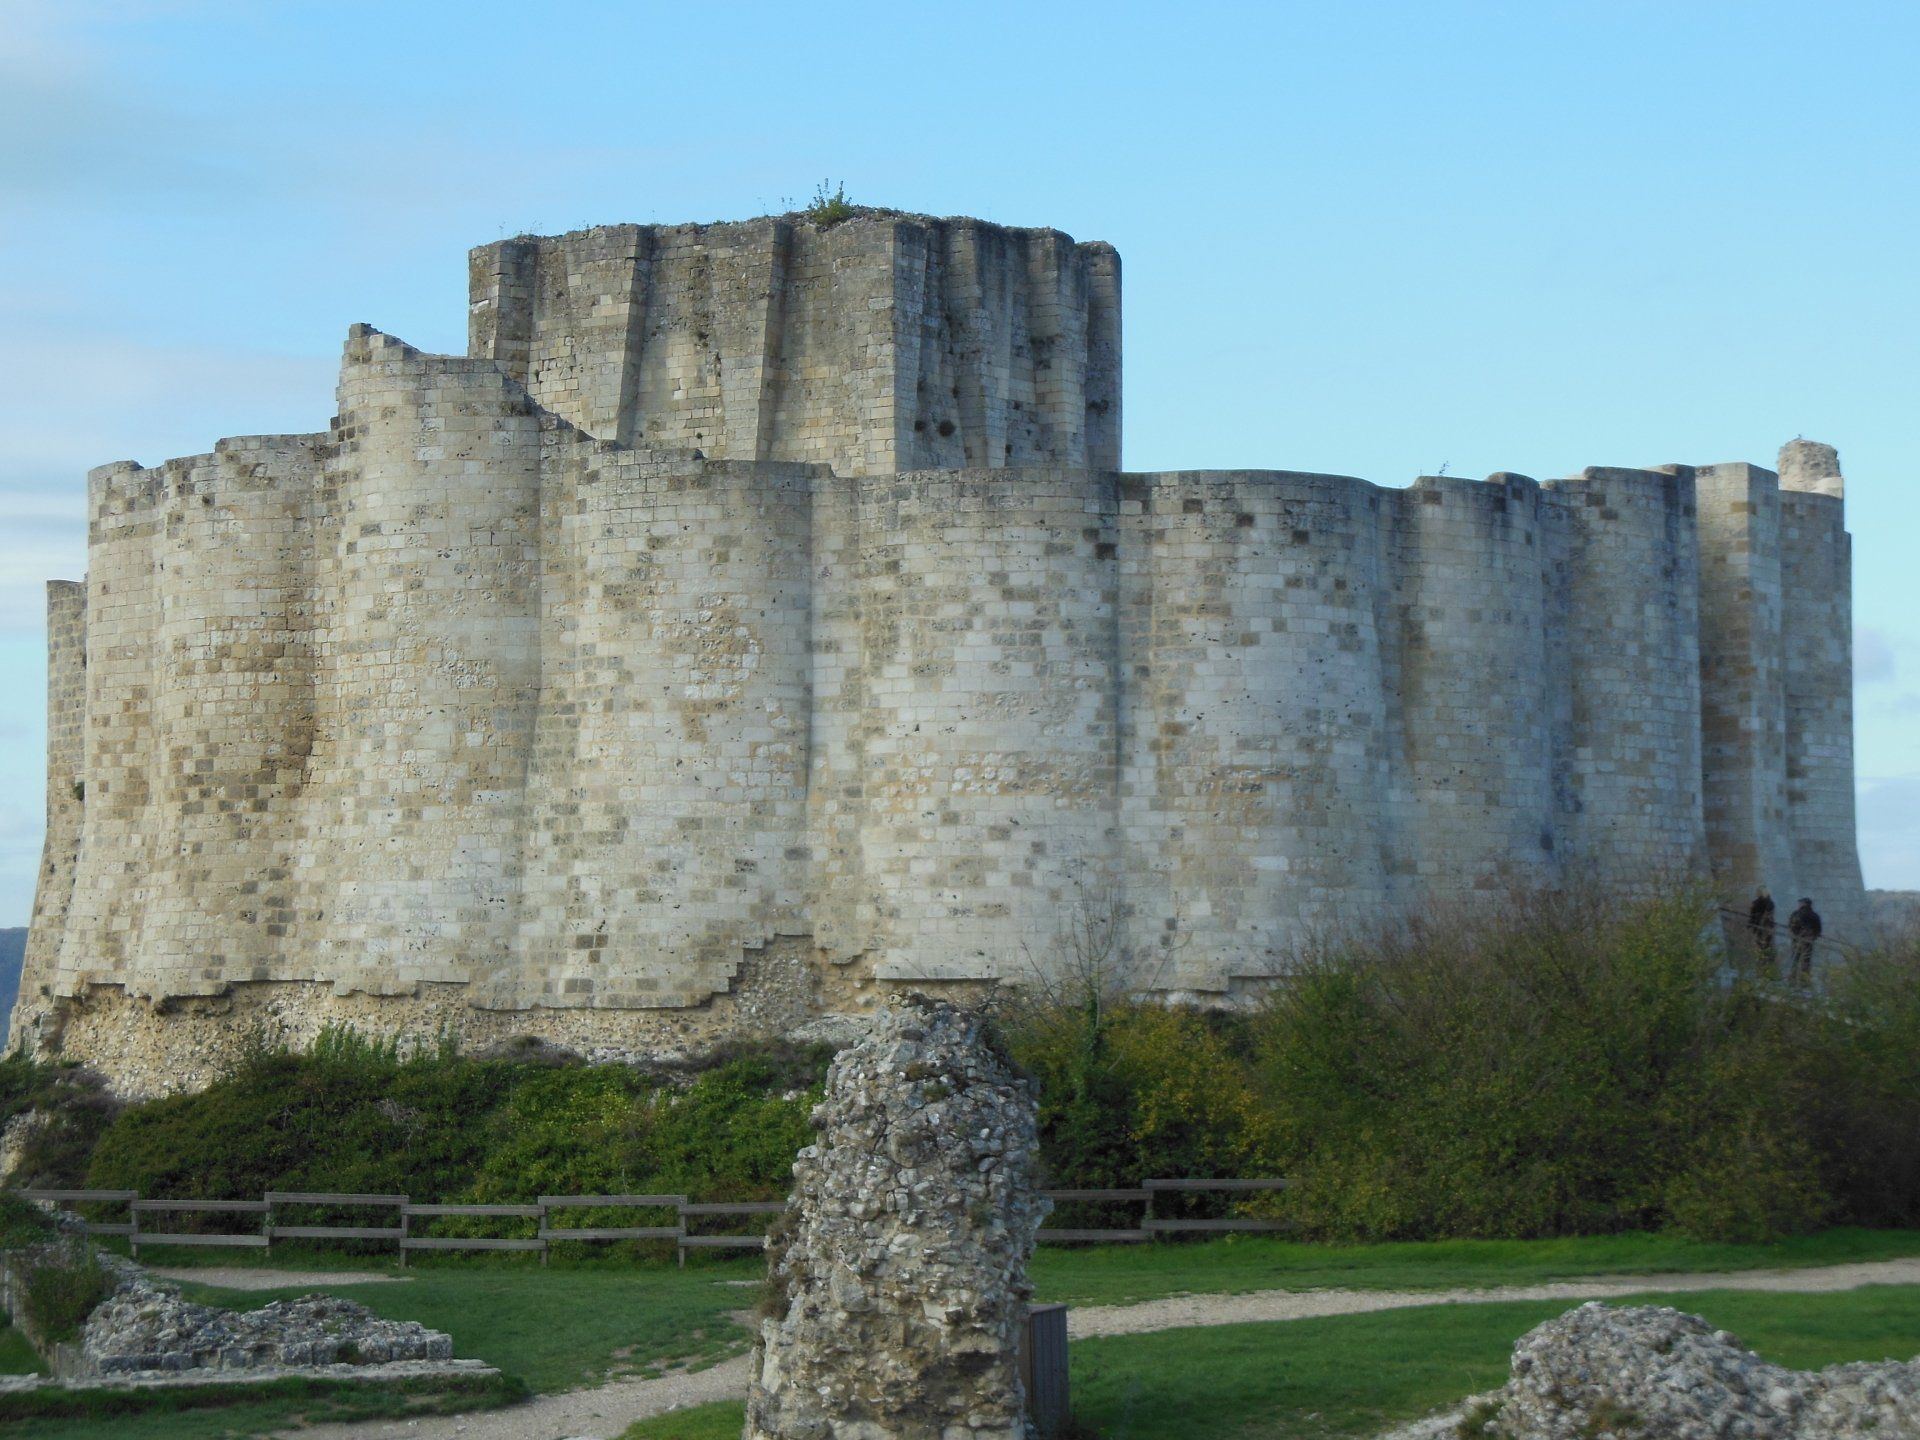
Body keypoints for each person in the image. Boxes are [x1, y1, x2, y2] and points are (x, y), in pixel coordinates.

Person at [1788, 897, 1821, 987]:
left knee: (1795, 959)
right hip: (1808, 941)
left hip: (1797, 940)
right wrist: (1812, 937)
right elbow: (1818, 930)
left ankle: (1792, 981)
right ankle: (1804, 982)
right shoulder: (1814, 915)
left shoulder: (1796, 914)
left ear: (1804, 904)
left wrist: (1795, 935)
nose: (1798, 904)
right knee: (1806, 961)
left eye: (1800, 903)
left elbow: (1791, 925)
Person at [1747, 886, 1776, 972]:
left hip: (1761, 927)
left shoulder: (1758, 902)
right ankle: (1765, 968)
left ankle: (1763, 967)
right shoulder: (1768, 902)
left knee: (1763, 947)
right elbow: (1753, 915)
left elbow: (1753, 915)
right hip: (1765, 928)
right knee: (1766, 947)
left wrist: (1751, 924)